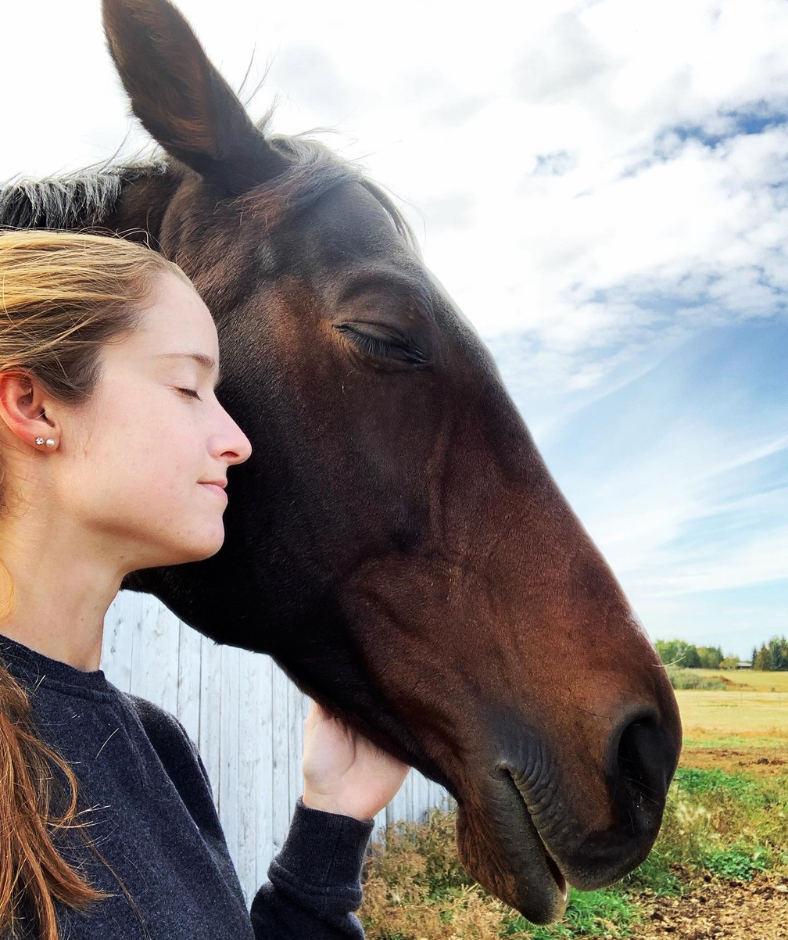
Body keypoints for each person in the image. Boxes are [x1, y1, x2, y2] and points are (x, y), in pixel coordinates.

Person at [0, 229, 410, 940]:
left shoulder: (158, 745)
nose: (236, 441)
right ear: (34, 405)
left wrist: (334, 816)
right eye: (189, 387)